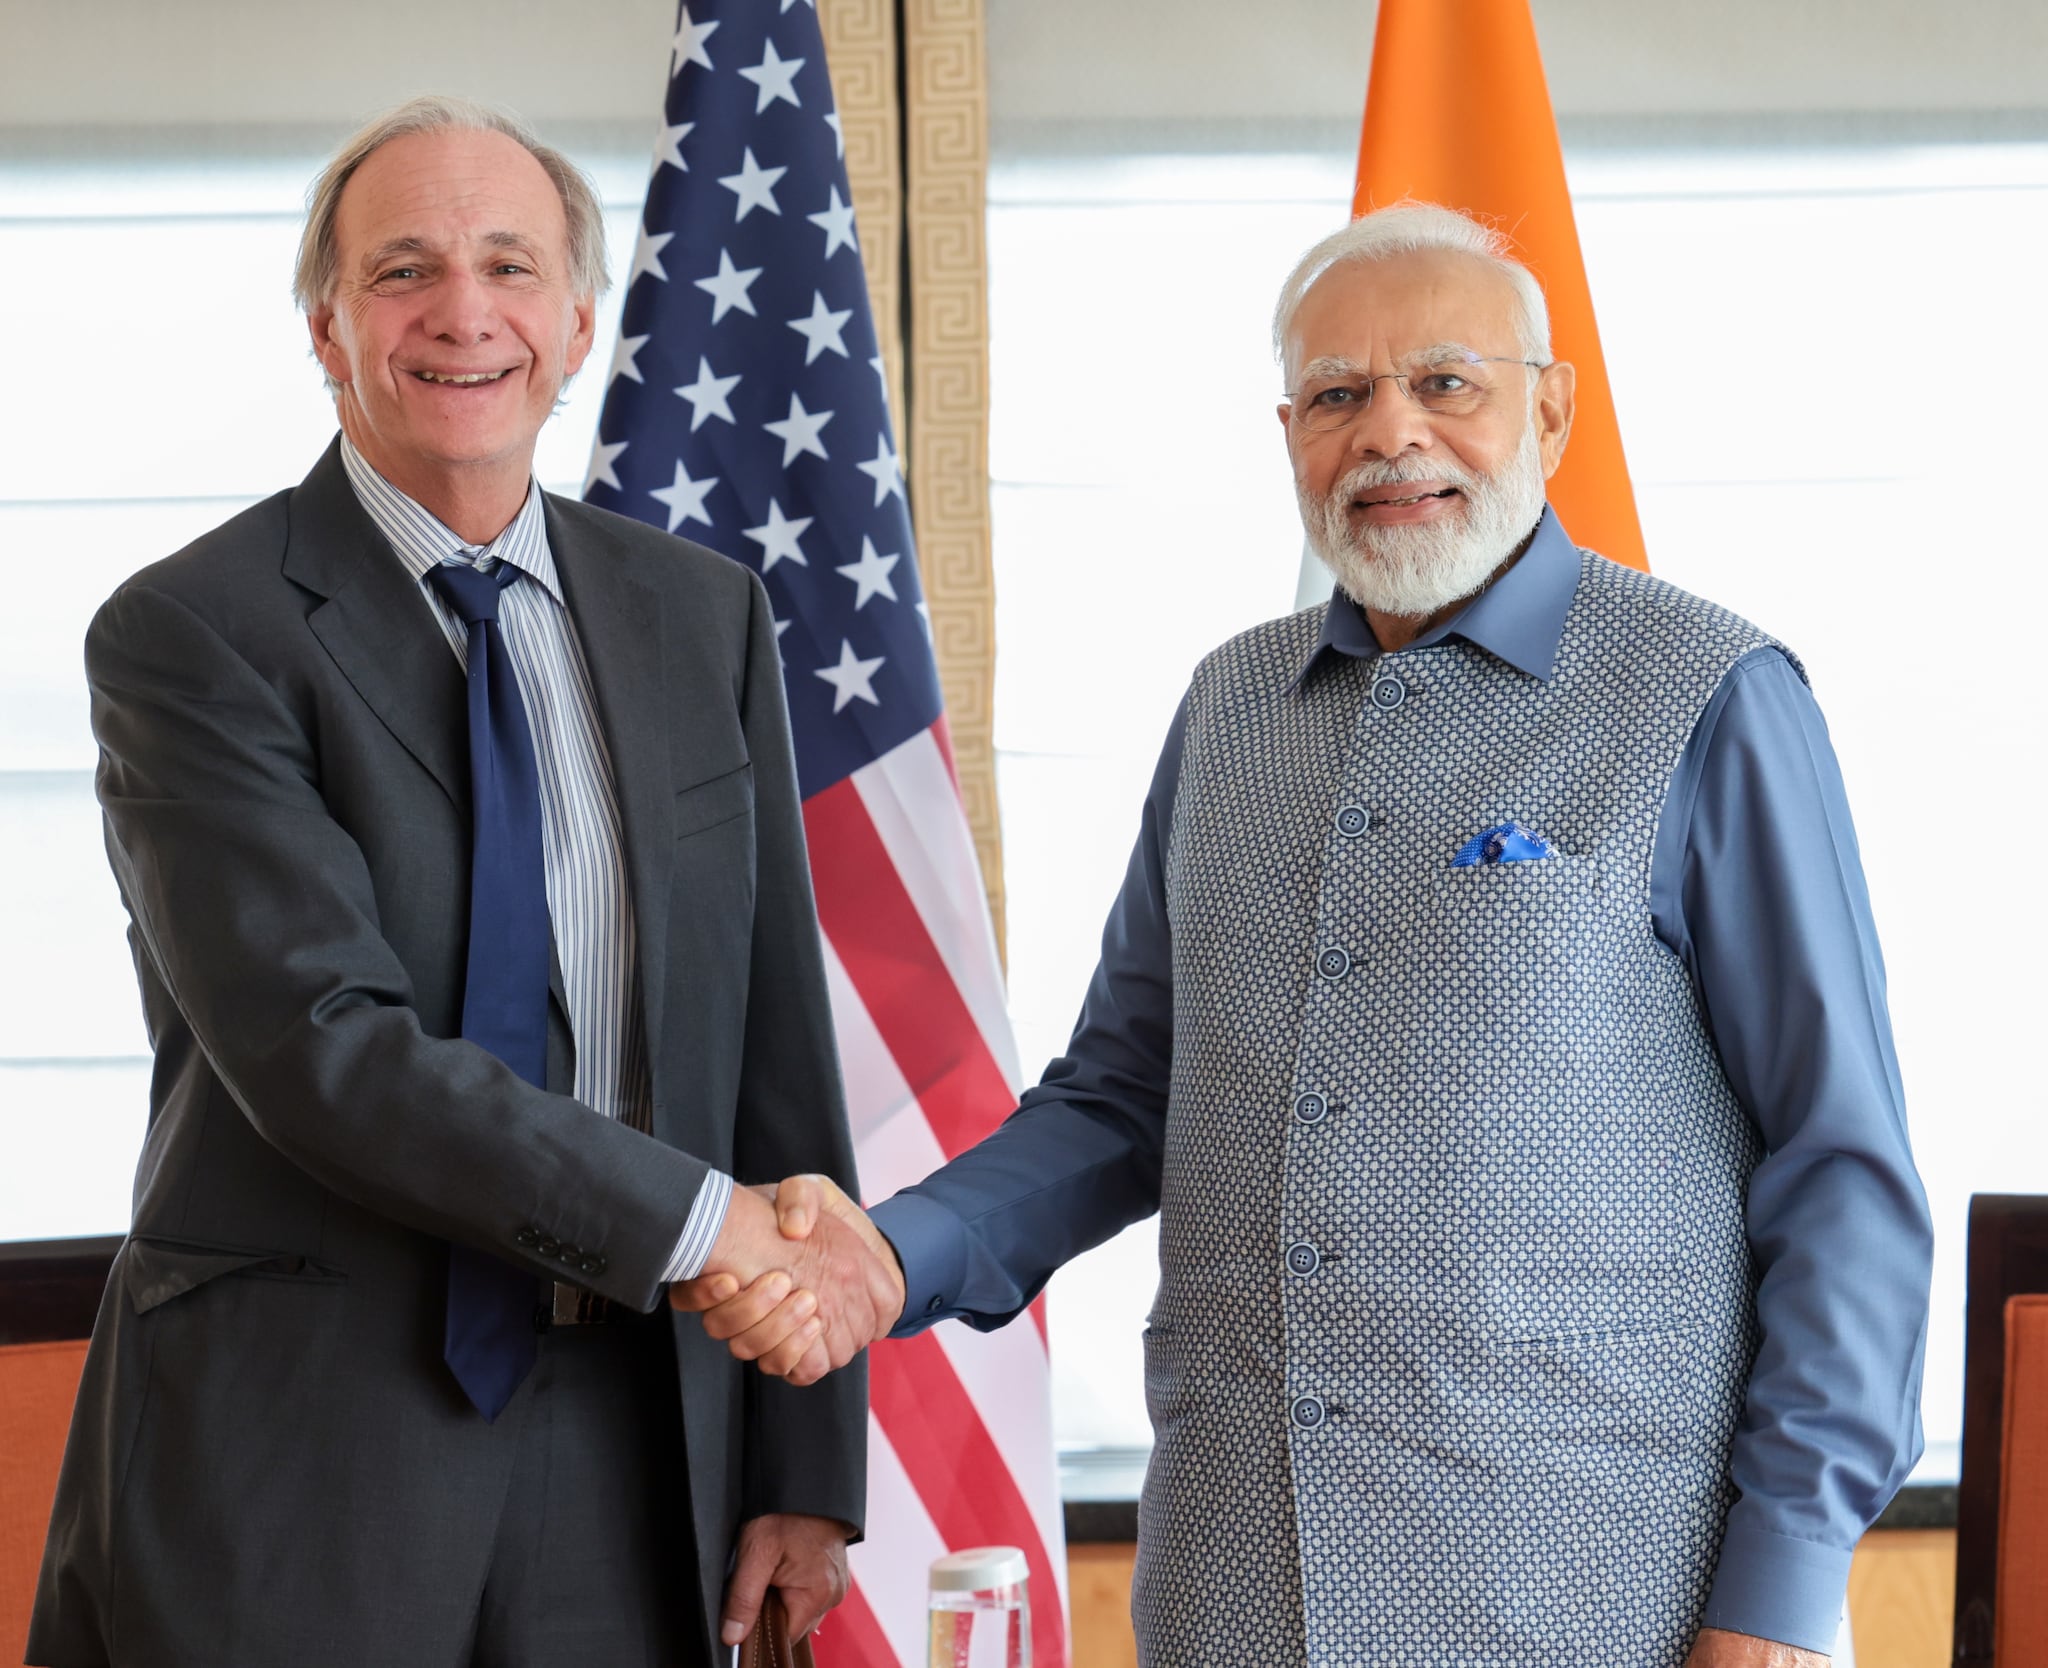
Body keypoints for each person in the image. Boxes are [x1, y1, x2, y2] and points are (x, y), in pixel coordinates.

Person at [680, 202, 1935, 1668]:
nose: (1391, 433)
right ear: (1290, 431)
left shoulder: (1707, 694)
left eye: (1446, 382)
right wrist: (892, 1259)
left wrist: (1777, 1600)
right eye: (1339, 395)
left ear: (1552, 407)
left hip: (1602, 1605)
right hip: (1237, 1599)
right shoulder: (1228, 711)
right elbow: (1123, 1099)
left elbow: (1840, 1171)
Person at [29, 96, 901, 1668]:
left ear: (577, 327)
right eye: (405, 269)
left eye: (511, 265)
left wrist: (805, 1459)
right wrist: (709, 1234)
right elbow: (328, 1052)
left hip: (642, 1453)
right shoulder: (192, 635)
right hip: (299, 1459)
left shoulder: (704, 616)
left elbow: (772, 1039)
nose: (464, 313)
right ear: (327, 325)